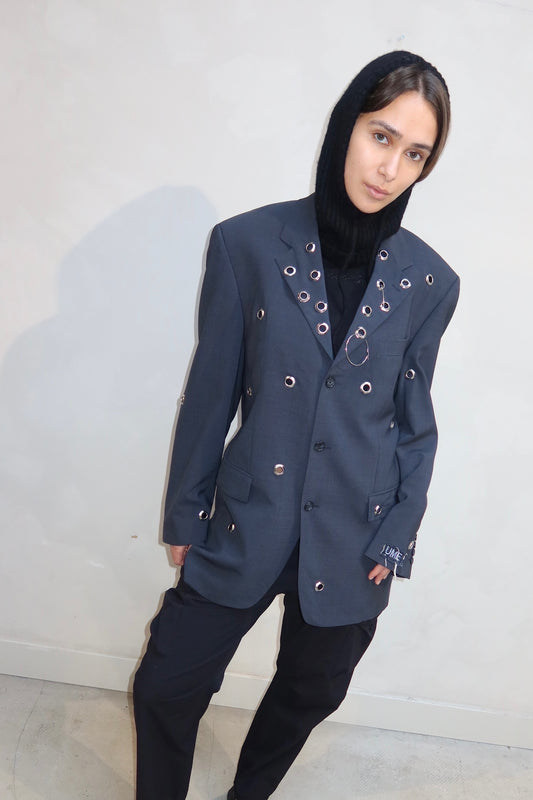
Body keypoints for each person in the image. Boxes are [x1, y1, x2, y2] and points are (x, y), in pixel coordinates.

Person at [133, 50, 460, 800]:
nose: (390, 169)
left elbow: (415, 424)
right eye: (381, 137)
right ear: (347, 127)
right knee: (165, 685)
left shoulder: (430, 282)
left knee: (312, 691)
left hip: (354, 534)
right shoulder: (246, 245)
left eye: (415, 154)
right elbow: (210, 392)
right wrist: (186, 509)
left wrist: (396, 533)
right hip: (248, 516)